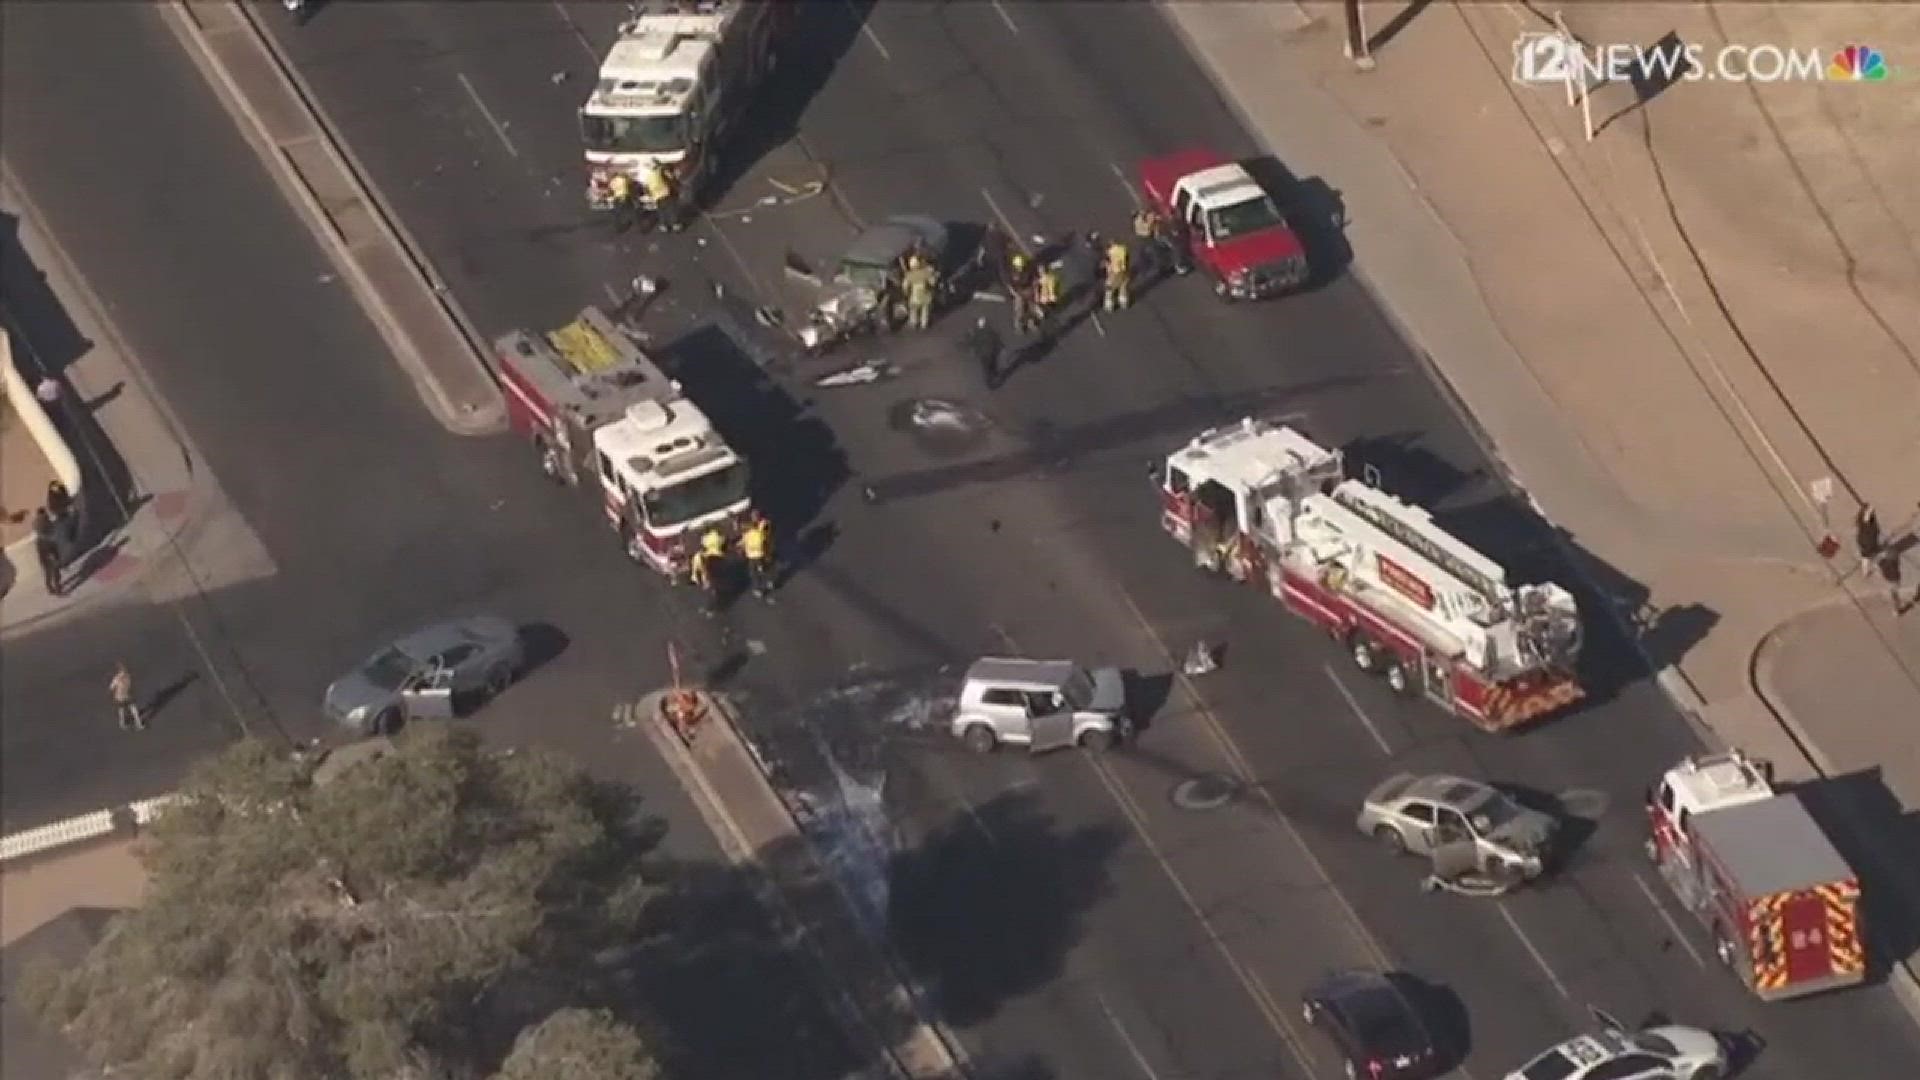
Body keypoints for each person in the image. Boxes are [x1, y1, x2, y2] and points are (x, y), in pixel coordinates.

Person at [739, 513, 775, 600]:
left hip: (753, 557)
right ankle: (769, 582)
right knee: (764, 569)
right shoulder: (760, 533)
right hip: (761, 555)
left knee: (754, 573)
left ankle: (758, 589)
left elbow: (742, 543)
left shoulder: (747, 534)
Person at [639, 161, 682, 232]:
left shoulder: (648, 177)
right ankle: (675, 225)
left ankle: (664, 226)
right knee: (671, 209)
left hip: (656, 197)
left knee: (661, 211)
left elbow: (646, 188)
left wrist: (650, 196)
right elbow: (670, 177)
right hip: (666, 193)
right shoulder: (660, 171)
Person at [964, 316, 1004, 389]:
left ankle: (989, 381)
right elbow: (996, 339)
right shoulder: (990, 331)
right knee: (993, 363)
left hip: (983, 354)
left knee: (986, 368)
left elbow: (972, 342)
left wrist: (973, 351)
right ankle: (994, 373)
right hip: (991, 352)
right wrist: (1001, 347)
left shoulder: (976, 332)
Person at [901, 255, 939, 331]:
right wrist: (935, 277)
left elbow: (905, 286)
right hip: (925, 294)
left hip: (914, 296)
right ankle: (923, 324)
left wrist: (906, 293)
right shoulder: (926, 272)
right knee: (925, 310)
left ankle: (914, 322)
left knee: (913, 310)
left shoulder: (909, 275)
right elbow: (933, 282)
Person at [32, 508, 63, 596]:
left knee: (47, 569)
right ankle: (57, 588)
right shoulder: (48, 521)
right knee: (55, 567)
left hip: (41, 546)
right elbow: (53, 531)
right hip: (49, 545)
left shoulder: (35, 523)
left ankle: (50, 587)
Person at [1006, 252, 1038, 334]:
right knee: (1021, 310)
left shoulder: (1026, 272)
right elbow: (1011, 286)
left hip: (1025, 292)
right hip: (1021, 293)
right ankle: (1021, 325)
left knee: (1029, 308)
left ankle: (1030, 323)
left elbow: (1033, 279)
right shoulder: (1014, 276)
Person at [111, 662, 144, 731]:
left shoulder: (119, 678)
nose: (124, 671)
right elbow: (113, 687)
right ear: (120, 671)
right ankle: (136, 723)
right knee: (126, 709)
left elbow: (111, 687)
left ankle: (126, 724)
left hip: (122, 696)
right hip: (123, 696)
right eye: (123, 670)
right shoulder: (122, 678)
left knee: (129, 709)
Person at [1102, 238, 1132, 311]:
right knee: (1123, 286)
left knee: (1109, 288)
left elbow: (1107, 262)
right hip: (1123, 271)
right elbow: (1127, 260)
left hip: (1114, 272)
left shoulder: (1109, 251)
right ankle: (1123, 301)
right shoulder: (1124, 249)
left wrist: (1107, 269)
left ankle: (1109, 304)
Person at [1856, 503, 1883, 576]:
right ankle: (1867, 570)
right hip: (1868, 542)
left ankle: (1865, 570)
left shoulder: (1862, 519)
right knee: (1867, 555)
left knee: (1866, 556)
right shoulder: (1867, 521)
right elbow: (1872, 529)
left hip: (1865, 541)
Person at [1034, 262, 1064, 328]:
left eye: (1042, 271)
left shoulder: (1047, 279)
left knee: (1044, 309)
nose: (1041, 272)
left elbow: (1053, 288)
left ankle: (1040, 318)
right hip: (1046, 298)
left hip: (1046, 298)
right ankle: (1041, 317)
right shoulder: (1048, 278)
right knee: (1045, 309)